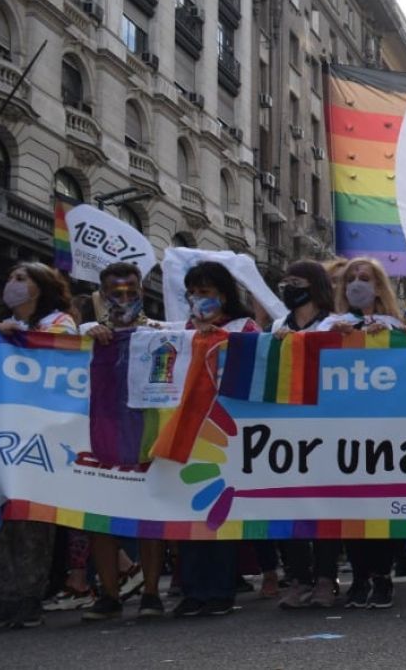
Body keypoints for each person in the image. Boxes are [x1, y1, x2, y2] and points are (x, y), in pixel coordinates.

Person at [0, 263, 78, 629]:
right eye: (9, 277)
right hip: (0, 435)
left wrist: (21, 340)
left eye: (21, 279)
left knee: (32, 520)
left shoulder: (59, 323)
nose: (11, 284)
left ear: (40, 287)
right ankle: (6, 597)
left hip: (40, 436)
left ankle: (29, 598)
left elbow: (66, 354)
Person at [80, 263, 171, 621]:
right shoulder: (85, 336)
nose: (124, 297)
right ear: (101, 295)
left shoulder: (159, 333)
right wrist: (86, 329)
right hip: (97, 432)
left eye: (131, 290)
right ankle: (109, 595)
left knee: (148, 515)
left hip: (145, 432)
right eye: (115, 292)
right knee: (99, 517)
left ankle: (151, 593)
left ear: (142, 291)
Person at [173, 262, 263, 617]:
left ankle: (221, 588)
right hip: (189, 428)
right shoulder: (182, 331)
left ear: (223, 294)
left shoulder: (246, 327)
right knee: (188, 510)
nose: (198, 298)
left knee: (220, 511)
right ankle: (193, 589)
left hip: (228, 430)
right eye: (193, 292)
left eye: (206, 292)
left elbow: (256, 363)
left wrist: (214, 336)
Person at [328, 257, 406, 609]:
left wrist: (396, 337)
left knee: (382, 504)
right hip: (343, 426)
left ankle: (382, 576)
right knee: (351, 504)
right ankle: (359, 577)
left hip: (386, 425)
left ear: (379, 287)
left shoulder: (394, 324)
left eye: (365, 279)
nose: (357, 285)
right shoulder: (331, 324)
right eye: (350, 279)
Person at [268, 262, 342, 609]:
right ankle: (298, 577)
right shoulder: (276, 326)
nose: (288, 288)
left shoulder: (334, 323)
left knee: (325, 504)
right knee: (288, 503)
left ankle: (326, 578)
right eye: (285, 283)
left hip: (325, 424)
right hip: (286, 426)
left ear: (314, 286)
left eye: (295, 282)